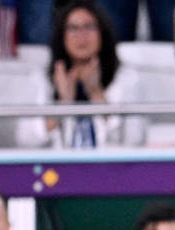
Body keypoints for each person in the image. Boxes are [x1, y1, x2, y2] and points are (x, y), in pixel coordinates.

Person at [16, 0, 147, 148]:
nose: (81, 35)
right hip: (56, 169)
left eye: (89, 27)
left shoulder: (128, 79)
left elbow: (134, 141)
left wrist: (96, 94)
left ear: (102, 32)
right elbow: (25, 141)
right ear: (61, 36)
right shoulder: (41, 79)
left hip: (111, 169)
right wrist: (63, 104)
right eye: (73, 28)